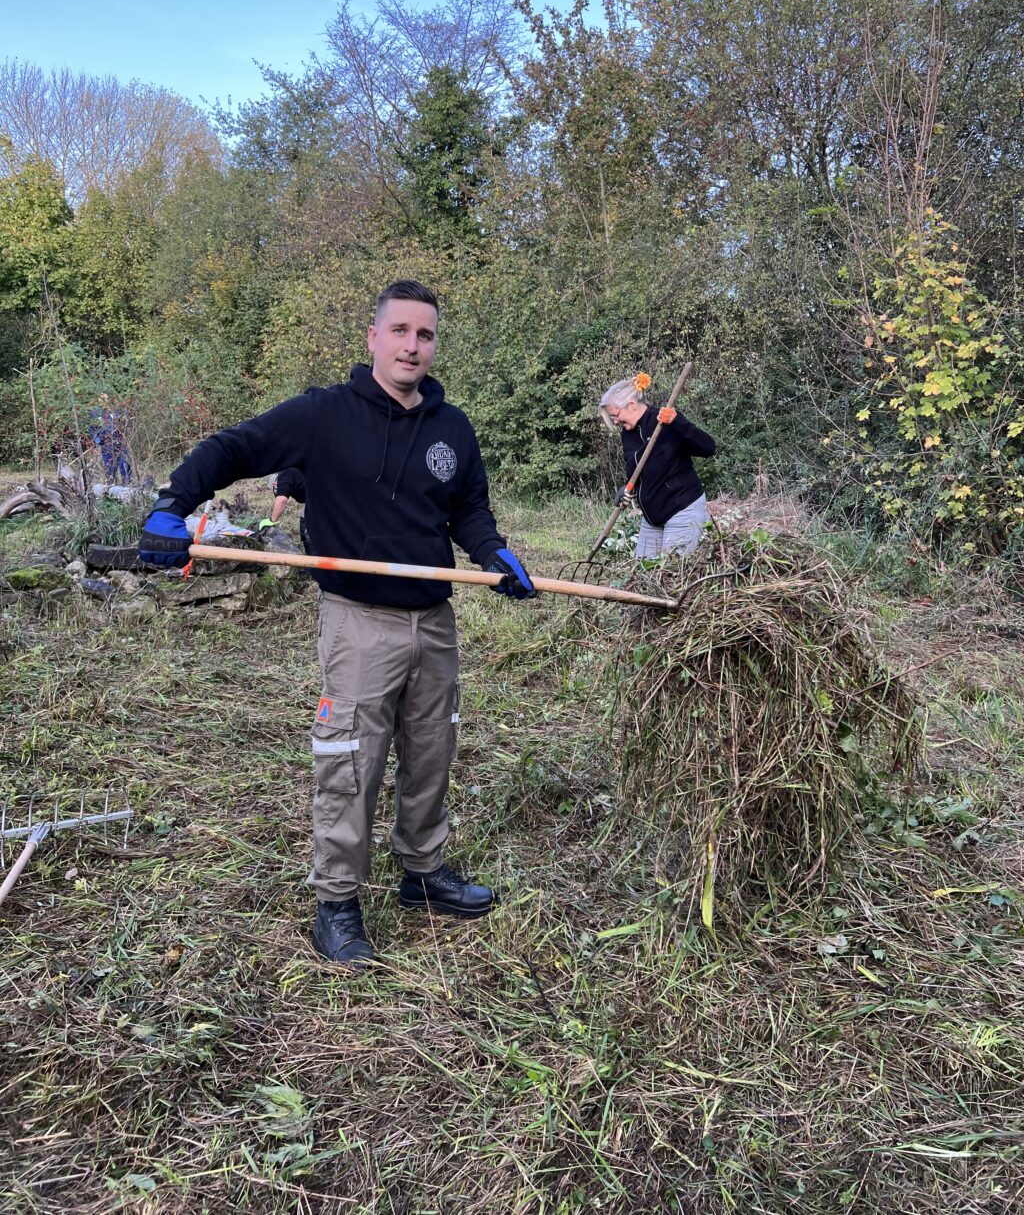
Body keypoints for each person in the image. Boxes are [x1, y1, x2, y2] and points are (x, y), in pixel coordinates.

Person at [138, 279, 537, 968]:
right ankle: (338, 904)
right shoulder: (322, 415)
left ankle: (423, 874)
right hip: (358, 620)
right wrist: (174, 501)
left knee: (431, 750)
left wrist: (492, 551)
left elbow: (468, 508)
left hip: (434, 618)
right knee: (350, 761)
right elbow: (236, 447)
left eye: (426, 334)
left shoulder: (454, 428)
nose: (414, 345)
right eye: (401, 331)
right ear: (374, 337)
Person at [598, 374, 716, 558]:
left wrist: (678, 422)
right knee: (642, 576)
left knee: (672, 574)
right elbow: (639, 467)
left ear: (631, 405)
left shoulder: (664, 422)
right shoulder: (628, 433)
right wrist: (628, 487)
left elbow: (709, 448)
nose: (614, 421)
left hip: (682, 511)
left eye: (615, 415)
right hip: (652, 519)